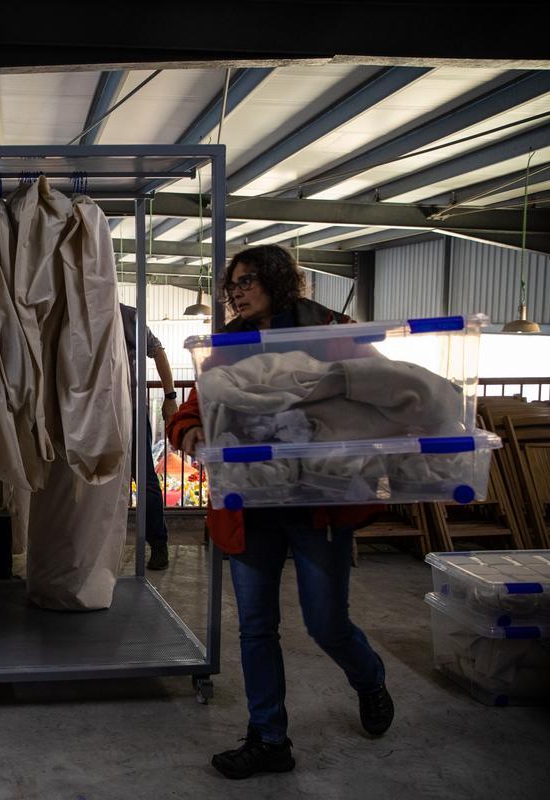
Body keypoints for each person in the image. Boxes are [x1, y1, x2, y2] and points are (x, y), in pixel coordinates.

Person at [166, 245, 393, 780]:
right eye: (233, 285)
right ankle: (269, 739)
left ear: (276, 280)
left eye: (247, 281)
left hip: (318, 503)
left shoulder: (333, 330)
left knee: (326, 623)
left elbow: (385, 388)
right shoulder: (225, 345)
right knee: (255, 628)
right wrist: (190, 431)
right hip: (249, 505)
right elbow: (193, 408)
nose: (237, 292)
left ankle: (370, 679)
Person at [119, 304, 177, 570]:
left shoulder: (128, 316)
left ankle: (158, 543)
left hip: (130, 412)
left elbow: (157, 351)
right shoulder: (79, 311)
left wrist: (170, 396)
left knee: (144, 481)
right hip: (95, 414)